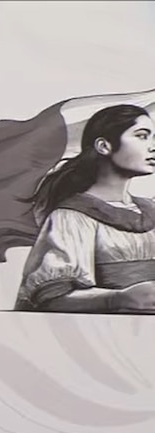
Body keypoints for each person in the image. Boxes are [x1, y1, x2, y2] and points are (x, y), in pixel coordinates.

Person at [15, 104, 155, 313]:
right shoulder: (71, 217)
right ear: (104, 146)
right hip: (105, 336)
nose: (153, 146)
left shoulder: (150, 209)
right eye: (142, 136)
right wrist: (117, 299)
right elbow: (50, 297)